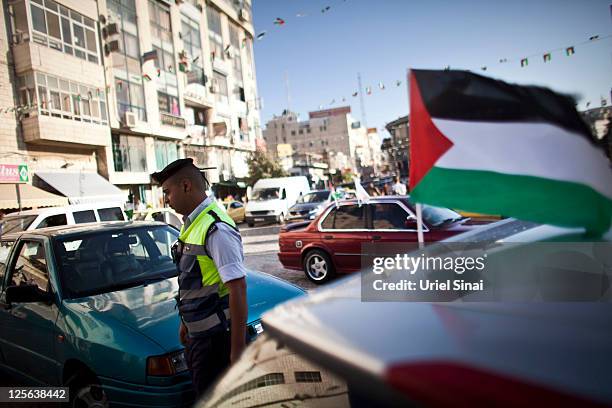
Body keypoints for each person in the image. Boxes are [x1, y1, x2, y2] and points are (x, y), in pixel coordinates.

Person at [151, 158, 248, 397]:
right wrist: (186, 323)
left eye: (167, 193)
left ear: (186, 186)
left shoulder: (216, 228)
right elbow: (194, 280)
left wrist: (237, 353)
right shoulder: (192, 223)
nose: (167, 200)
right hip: (200, 338)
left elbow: (238, 290)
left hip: (217, 342)